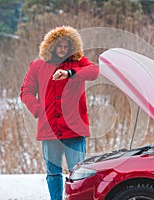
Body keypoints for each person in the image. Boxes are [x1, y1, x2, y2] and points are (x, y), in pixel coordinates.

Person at [20, 26, 99, 200]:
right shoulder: (37, 65)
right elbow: (26, 91)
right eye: (59, 45)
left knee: (78, 172)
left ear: (72, 47)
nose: (63, 49)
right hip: (49, 130)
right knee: (53, 173)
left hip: (74, 129)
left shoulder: (79, 62)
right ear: (51, 45)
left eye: (66, 46)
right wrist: (38, 110)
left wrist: (70, 73)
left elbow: (94, 71)